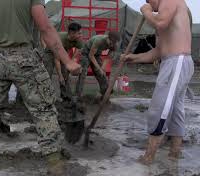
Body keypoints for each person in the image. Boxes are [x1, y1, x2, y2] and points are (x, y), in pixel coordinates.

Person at [0, 0, 82, 175]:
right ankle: (55, 164)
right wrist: (68, 61)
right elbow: (45, 28)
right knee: (43, 110)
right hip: (25, 59)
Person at [122, 0, 194, 165]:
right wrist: (133, 58)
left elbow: (160, 23)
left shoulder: (169, 1)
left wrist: (146, 11)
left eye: (149, 0)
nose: (149, 3)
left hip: (177, 61)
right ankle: (174, 155)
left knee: (159, 109)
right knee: (175, 111)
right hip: (174, 61)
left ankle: (148, 157)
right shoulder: (163, 15)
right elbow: (158, 52)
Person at [43, 22, 84, 101]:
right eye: (79, 33)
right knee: (47, 74)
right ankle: (45, 97)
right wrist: (59, 75)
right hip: (50, 52)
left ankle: (66, 96)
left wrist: (71, 61)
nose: (81, 35)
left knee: (65, 75)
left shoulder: (78, 39)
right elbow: (57, 59)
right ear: (72, 33)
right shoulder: (60, 39)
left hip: (63, 51)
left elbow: (78, 49)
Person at [75, 31, 120, 99]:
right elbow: (90, 55)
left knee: (101, 74)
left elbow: (108, 57)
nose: (111, 45)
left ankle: (105, 93)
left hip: (96, 54)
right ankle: (78, 95)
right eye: (110, 43)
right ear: (108, 38)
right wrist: (99, 68)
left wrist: (102, 68)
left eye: (113, 44)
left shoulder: (113, 45)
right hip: (86, 53)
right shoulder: (99, 40)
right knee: (83, 73)